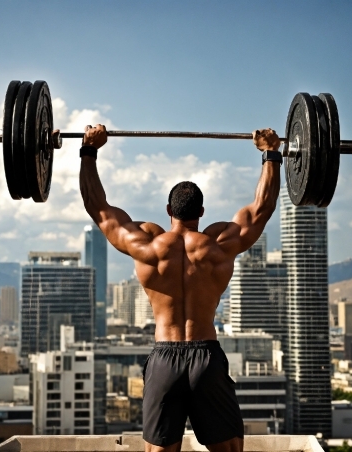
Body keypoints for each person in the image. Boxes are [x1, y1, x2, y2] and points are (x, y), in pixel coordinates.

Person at [79, 125, 281, 452]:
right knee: (229, 450)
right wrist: (270, 153)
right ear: (201, 213)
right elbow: (262, 209)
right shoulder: (219, 245)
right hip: (207, 357)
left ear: (169, 211)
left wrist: (89, 150)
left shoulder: (146, 245)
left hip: (164, 357)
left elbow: (98, 208)